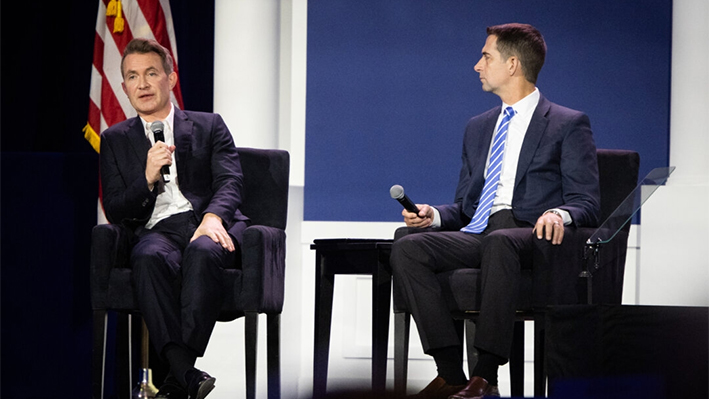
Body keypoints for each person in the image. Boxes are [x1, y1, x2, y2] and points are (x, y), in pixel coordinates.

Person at [390, 23, 601, 399]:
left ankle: (485, 375)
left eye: (486, 56)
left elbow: (586, 201)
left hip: (529, 235)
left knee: (501, 242)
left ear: (513, 64)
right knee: (408, 245)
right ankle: (452, 374)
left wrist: (558, 214)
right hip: (481, 232)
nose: (477, 65)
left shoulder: (568, 124)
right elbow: (465, 207)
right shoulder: (478, 127)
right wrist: (433, 216)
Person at [100, 38, 249, 399]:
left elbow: (231, 180)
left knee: (202, 252)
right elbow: (118, 209)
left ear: (171, 78)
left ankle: (174, 380)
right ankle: (186, 374)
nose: (143, 84)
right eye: (133, 77)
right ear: (123, 87)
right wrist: (146, 178)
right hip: (157, 231)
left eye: (152, 73)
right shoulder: (115, 139)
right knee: (147, 258)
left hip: (206, 223)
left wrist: (214, 217)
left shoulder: (208, 125)